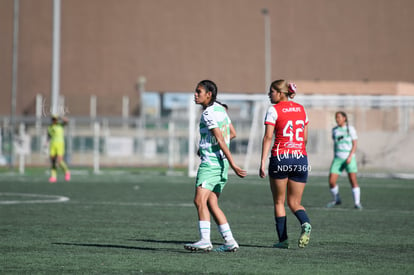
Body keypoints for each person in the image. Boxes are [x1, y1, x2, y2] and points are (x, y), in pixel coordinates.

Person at [184, 80, 247, 252]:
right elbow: (231, 134)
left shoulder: (208, 113)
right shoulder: (221, 109)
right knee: (212, 203)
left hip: (211, 164)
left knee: (199, 200)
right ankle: (229, 241)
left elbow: (220, 138)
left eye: (199, 91)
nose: (195, 94)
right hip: (221, 165)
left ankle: (205, 240)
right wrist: (206, 145)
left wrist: (234, 163)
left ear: (208, 94)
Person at [259, 80, 312, 249]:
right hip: (300, 158)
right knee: (295, 203)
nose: (269, 94)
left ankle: (283, 241)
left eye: (272, 91)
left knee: (279, 202)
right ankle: (305, 223)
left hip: (281, 157)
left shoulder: (273, 110)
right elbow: (304, 139)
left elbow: (268, 137)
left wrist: (261, 162)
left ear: (281, 93)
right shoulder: (301, 109)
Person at [326, 111, 362, 209]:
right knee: (331, 181)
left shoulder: (350, 129)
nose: (337, 119)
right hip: (338, 159)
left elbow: (354, 144)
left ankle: (357, 203)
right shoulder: (334, 130)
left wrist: (350, 156)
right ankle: (336, 199)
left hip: (349, 158)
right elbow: (336, 144)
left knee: (353, 180)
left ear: (344, 118)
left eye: (339, 117)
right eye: (336, 117)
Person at [47, 115, 71, 183]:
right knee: (53, 161)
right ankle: (53, 177)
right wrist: (46, 143)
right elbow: (48, 136)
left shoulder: (60, 125)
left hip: (60, 144)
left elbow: (67, 121)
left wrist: (61, 117)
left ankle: (67, 172)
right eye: (53, 119)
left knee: (59, 160)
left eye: (55, 119)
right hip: (52, 144)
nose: (54, 120)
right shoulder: (50, 127)